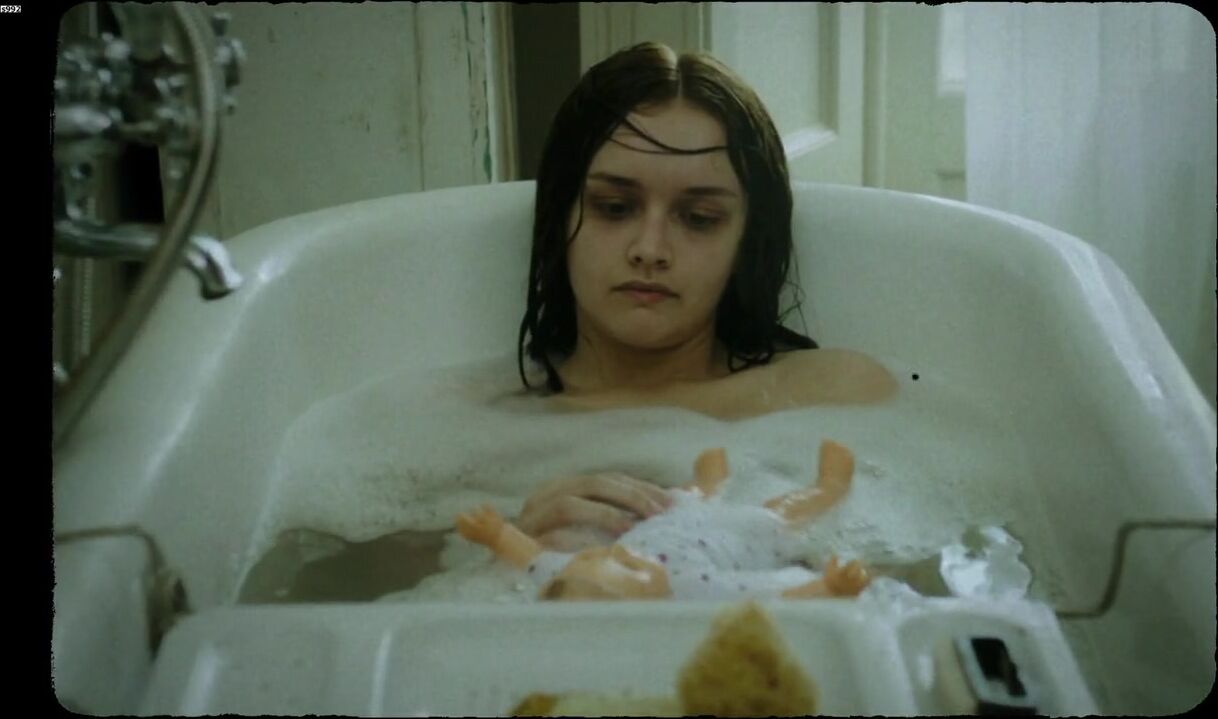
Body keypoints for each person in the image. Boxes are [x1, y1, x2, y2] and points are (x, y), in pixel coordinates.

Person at [512, 42, 897, 551]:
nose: (650, 250)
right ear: (559, 218)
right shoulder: (484, 429)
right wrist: (512, 547)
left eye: (699, 219)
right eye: (614, 207)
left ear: (746, 242)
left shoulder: (836, 393)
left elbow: (910, 571)